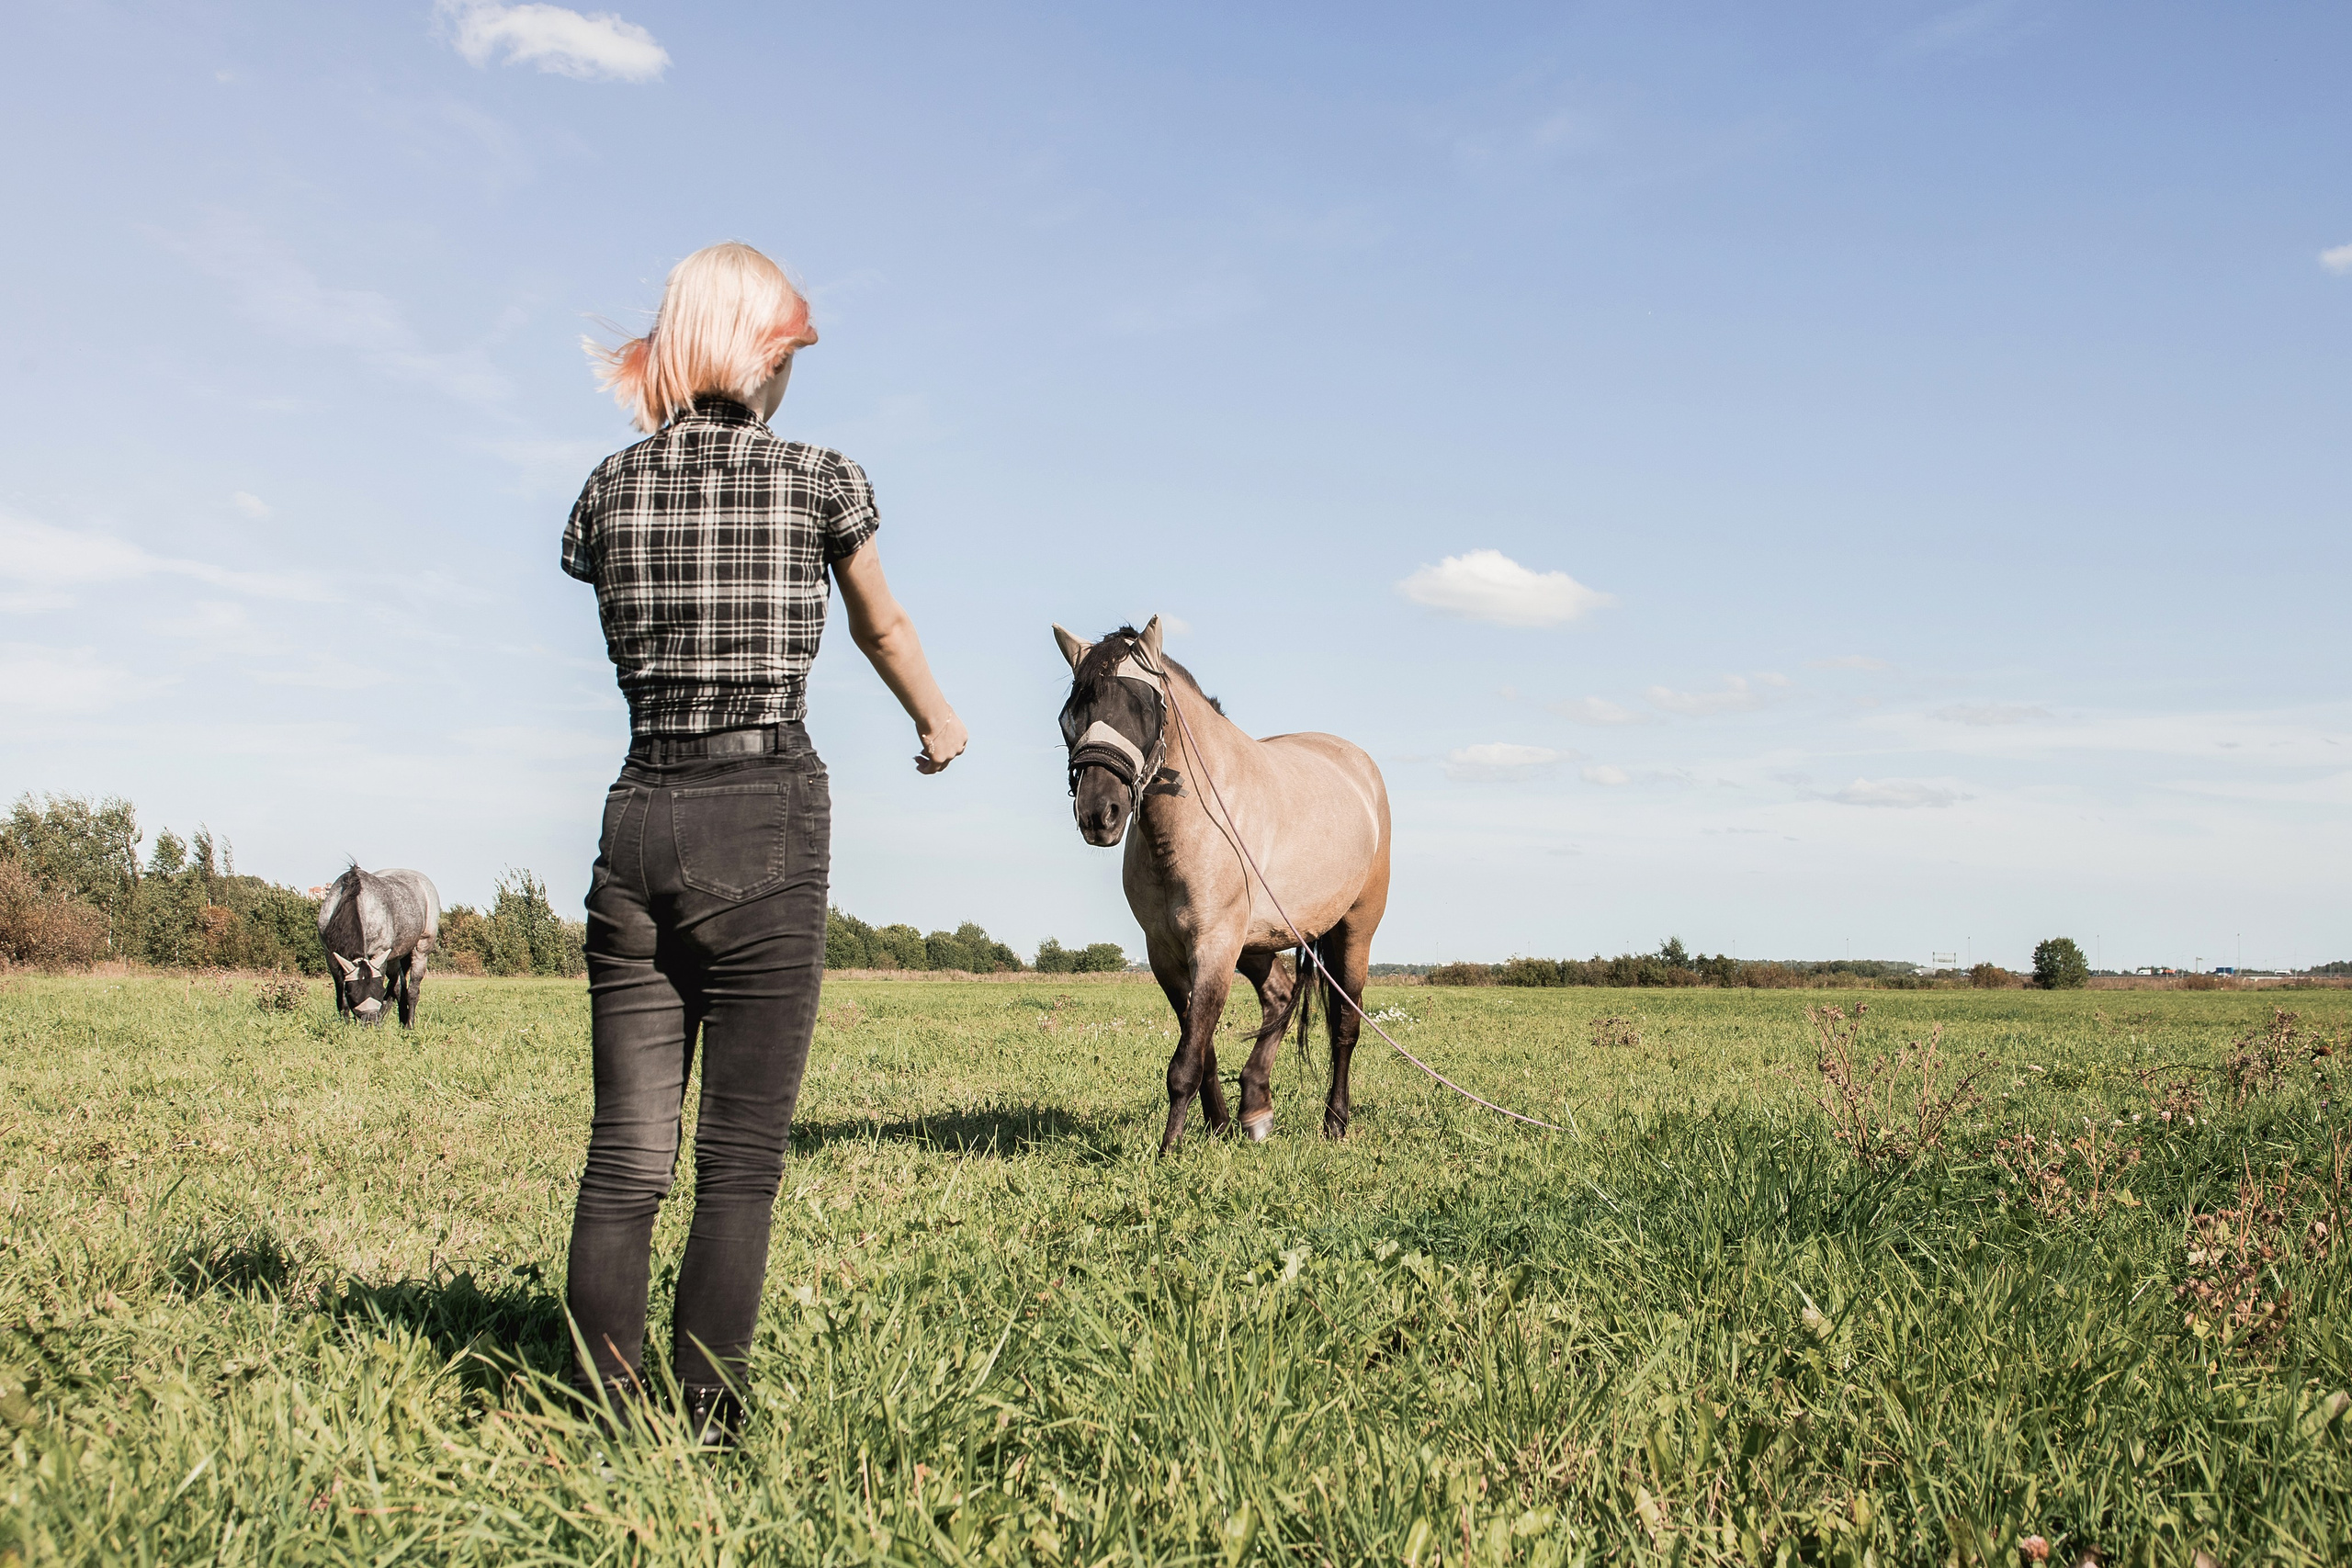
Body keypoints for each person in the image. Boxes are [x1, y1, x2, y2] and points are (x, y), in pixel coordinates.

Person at [559, 241, 966, 1446]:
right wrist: (938, 721)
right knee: (738, 1159)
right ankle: (706, 1427)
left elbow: (617, 597)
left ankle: (600, 1420)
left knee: (625, 1156)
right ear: (766, 354)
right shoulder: (820, 480)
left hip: (638, 811)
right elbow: (883, 626)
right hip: (764, 807)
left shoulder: (606, 491)